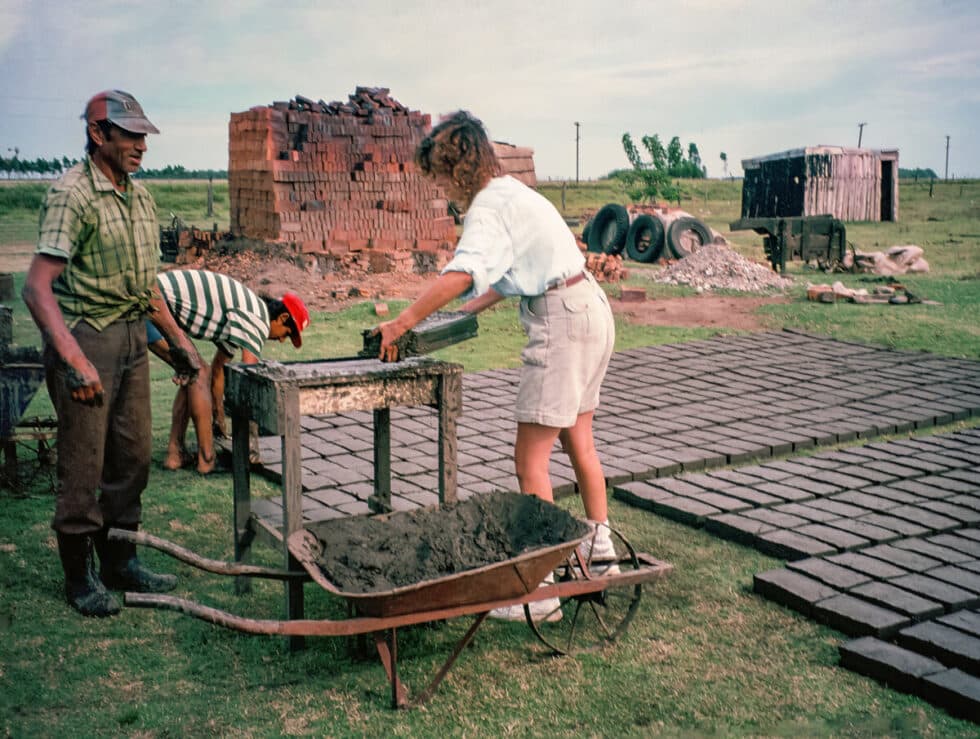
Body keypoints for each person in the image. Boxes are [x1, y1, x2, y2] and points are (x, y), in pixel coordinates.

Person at [375, 111, 619, 622]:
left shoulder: (486, 208)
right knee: (580, 440)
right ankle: (601, 554)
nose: (443, 189)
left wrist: (402, 322)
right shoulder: (514, 192)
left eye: (442, 177)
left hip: (563, 323)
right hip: (591, 308)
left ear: (457, 170)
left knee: (529, 457)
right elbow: (512, 271)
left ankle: (542, 591)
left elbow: (465, 272)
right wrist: (464, 312)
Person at [22, 90, 202, 618]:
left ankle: (120, 563)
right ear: (99, 134)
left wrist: (182, 345)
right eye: (129, 135)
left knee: (132, 460)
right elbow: (37, 288)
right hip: (86, 337)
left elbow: (148, 289)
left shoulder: (141, 199)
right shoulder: (71, 194)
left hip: (131, 339)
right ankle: (79, 579)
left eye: (144, 135)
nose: (141, 145)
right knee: (83, 468)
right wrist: (75, 360)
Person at [147, 269, 309, 474]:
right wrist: (250, 448)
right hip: (153, 302)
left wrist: (219, 420)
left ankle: (175, 454)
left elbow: (219, 373)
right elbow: (249, 381)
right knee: (198, 373)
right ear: (282, 317)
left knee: (192, 372)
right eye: (287, 333)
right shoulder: (257, 318)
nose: (282, 340)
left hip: (152, 303)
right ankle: (207, 460)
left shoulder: (242, 318)